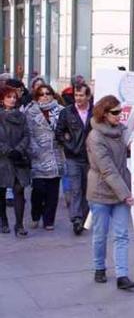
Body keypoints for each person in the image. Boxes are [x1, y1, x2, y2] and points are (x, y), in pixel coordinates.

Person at [86, 95, 134, 290]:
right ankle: (99, 267)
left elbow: (132, 147)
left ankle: (122, 275)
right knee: (100, 234)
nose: (120, 116)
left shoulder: (121, 130)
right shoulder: (95, 137)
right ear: (104, 113)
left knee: (122, 234)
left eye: (121, 112)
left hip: (121, 190)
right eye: (115, 113)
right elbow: (107, 169)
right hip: (100, 191)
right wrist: (126, 194)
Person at [24, 84, 66, 231]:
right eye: (41, 94)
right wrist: (33, 149)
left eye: (48, 93)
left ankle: (49, 220)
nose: (45, 96)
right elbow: (27, 132)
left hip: (55, 155)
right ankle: (35, 215)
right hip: (38, 155)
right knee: (38, 190)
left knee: (53, 191)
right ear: (37, 97)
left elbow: (66, 130)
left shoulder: (61, 111)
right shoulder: (30, 112)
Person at [55, 83, 93, 235]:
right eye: (76, 95)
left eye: (81, 95)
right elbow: (58, 132)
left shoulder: (95, 111)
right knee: (76, 188)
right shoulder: (67, 112)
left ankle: (83, 217)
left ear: (88, 96)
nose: (78, 98)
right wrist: (68, 145)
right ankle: (76, 219)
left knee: (86, 189)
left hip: (90, 157)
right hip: (73, 156)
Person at [0, 86, 31, 236]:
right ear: (2, 100)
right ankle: (3, 220)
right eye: (8, 97)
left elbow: (27, 135)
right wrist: (7, 150)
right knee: (1, 191)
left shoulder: (22, 116)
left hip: (19, 159)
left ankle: (19, 224)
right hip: (3, 160)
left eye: (14, 97)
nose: (12, 100)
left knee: (19, 190)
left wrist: (18, 150)